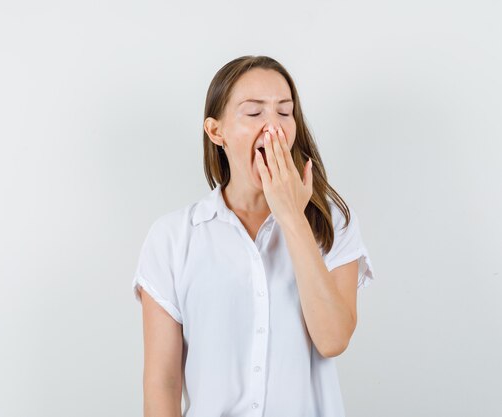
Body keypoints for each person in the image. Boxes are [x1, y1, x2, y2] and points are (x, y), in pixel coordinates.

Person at [131, 55, 376, 417]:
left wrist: (292, 216)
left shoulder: (332, 221)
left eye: (284, 112)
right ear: (217, 132)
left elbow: (333, 338)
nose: (273, 128)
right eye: (254, 112)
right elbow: (162, 384)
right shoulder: (172, 237)